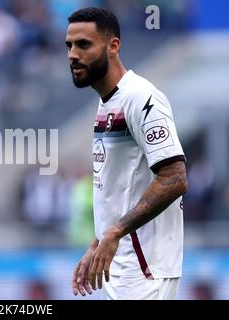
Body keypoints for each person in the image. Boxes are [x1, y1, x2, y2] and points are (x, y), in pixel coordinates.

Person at [67, 8, 188, 300]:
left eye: (83, 44)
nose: (72, 54)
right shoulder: (106, 102)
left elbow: (175, 178)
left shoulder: (141, 97)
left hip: (145, 271)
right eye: (69, 46)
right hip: (120, 266)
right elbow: (121, 187)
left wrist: (115, 232)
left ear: (113, 46)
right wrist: (99, 241)